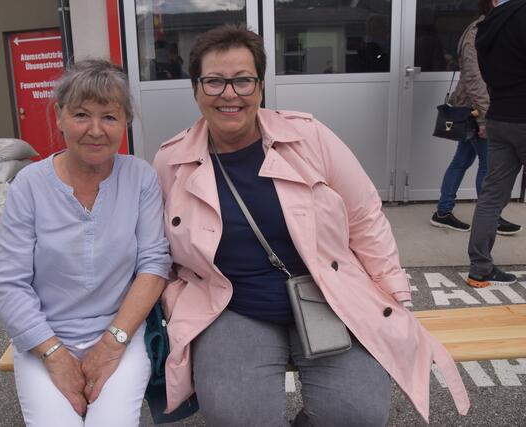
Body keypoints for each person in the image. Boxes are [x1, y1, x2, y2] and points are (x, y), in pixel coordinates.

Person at [153, 24, 470, 426]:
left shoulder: (308, 137)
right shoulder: (171, 161)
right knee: (237, 417)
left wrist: (395, 296)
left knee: (357, 415)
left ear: (260, 87)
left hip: (327, 295)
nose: (229, 94)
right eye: (214, 81)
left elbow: (365, 216)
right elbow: (159, 251)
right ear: (195, 89)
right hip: (230, 307)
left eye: (243, 80)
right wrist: (171, 300)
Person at [0, 59, 171, 426]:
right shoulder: (29, 185)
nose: (95, 130)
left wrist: (113, 342)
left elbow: (154, 264)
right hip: (44, 336)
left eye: (109, 117)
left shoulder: (140, 177)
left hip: (119, 330)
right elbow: (9, 283)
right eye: (81, 115)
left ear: (125, 121)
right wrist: (54, 354)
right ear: (60, 116)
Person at [430, 0, 521, 235]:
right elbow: (474, 79)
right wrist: (483, 118)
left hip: (476, 108)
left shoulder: (489, 27)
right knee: (488, 165)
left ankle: (443, 211)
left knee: (462, 160)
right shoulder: (479, 30)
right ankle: (490, 217)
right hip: (477, 110)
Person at [467, 0, 526, 287]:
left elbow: (486, 75)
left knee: (491, 196)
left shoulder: (485, 26)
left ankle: (480, 268)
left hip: (499, 117)